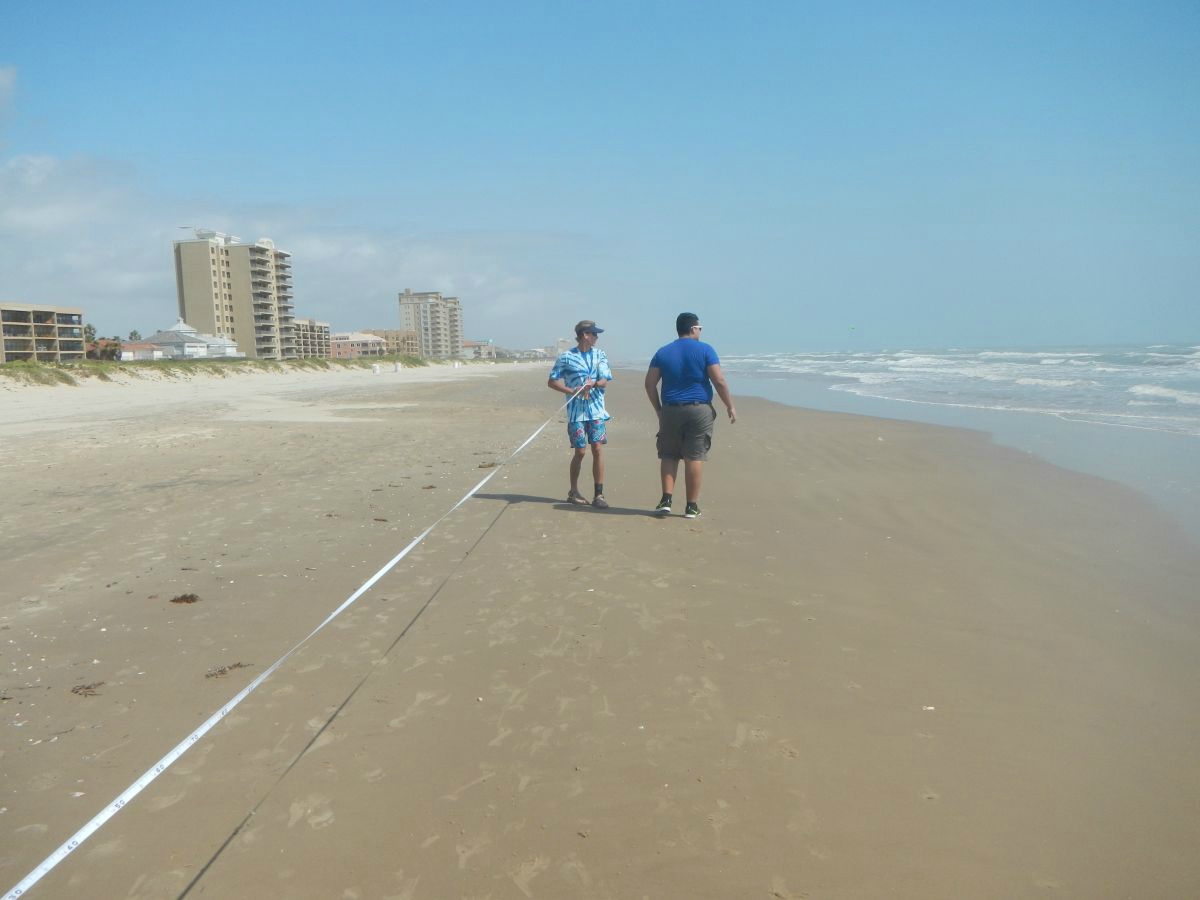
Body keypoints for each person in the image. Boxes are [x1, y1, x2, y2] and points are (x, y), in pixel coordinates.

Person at [644, 312, 736, 518]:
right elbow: (719, 381)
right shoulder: (705, 350)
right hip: (698, 409)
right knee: (694, 456)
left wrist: (659, 409)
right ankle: (691, 506)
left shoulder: (663, 352)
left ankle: (666, 499)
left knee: (669, 454)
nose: (700, 332)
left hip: (670, 408)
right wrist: (730, 405)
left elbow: (650, 384)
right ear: (694, 328)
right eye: (700, 328)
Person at [548, 320, 614, 509]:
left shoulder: (600, 354)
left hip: (596, 411)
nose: (596, 337)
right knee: (580, 451)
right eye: (594, 334)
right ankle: (573, 491)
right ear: (585, 335)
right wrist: (571, 390)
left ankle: (599, 494)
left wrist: (592, 384)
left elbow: (604, 380)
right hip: (576, 413)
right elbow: (552, 381)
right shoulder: (566, 357)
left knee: (598, 449)